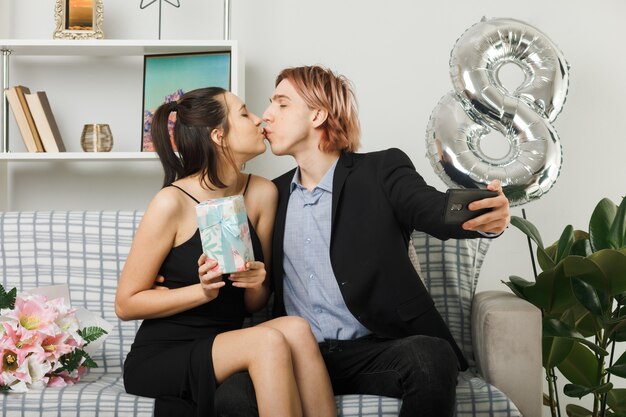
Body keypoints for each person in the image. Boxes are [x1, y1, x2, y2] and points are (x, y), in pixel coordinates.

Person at [217, 66, 511, 417]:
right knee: (232, 394)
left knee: (430, 356)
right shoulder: (271, 194)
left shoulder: (381, 170)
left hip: (377, 350)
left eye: (281, 104)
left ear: (317, 114)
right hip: (297, 354)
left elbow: (431, 208)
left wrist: (484, 215)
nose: (266, 115)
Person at [115, 87, 336, 417]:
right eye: (245, 114)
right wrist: (201, 292)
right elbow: (126, 303)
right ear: (219, 135)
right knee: (268, 342)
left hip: (227, 340)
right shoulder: (171, 203)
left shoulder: (261, 193)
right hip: (165, 352)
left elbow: (253, 305)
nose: (259, 119)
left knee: (297, 329)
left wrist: (257, 280)